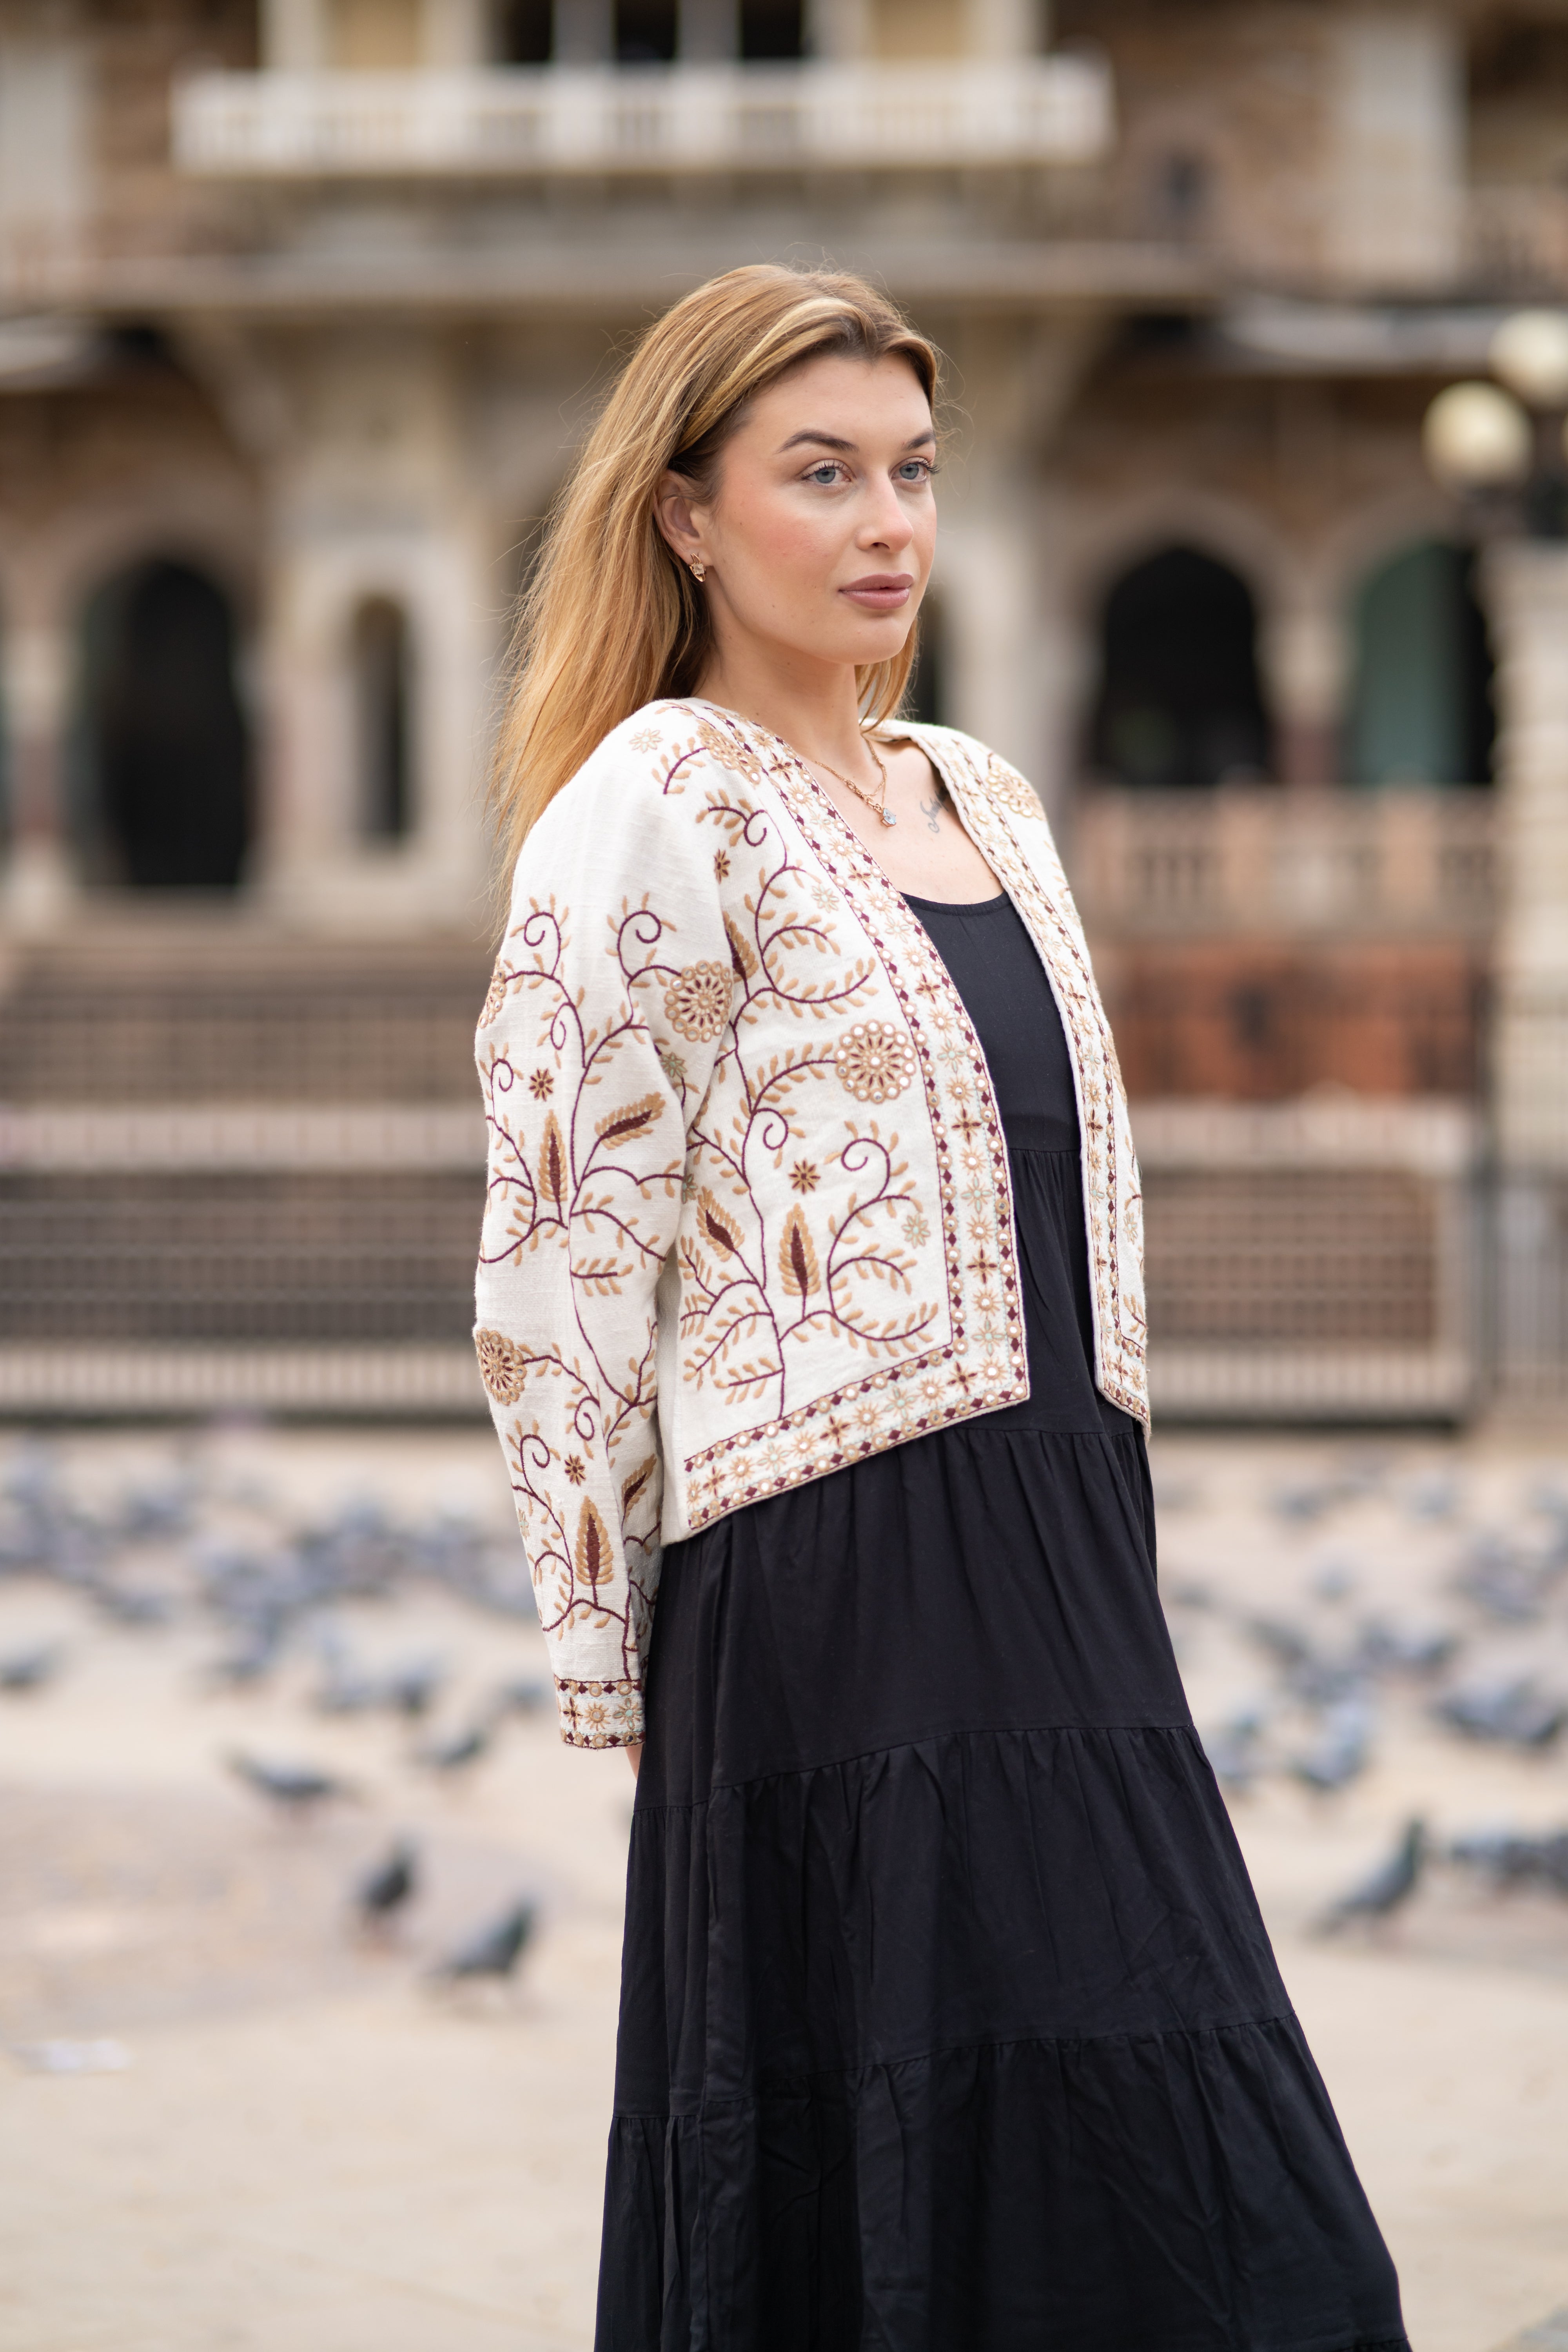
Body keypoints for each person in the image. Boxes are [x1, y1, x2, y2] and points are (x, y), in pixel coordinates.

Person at [475, 263, 1407, 2352]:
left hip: (1063, 1551)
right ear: (687, 517)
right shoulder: (651, 807)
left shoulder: (991, 796)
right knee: (925, 2162)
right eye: (821, 475)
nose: (891, 521)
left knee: (1198, 2181)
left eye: (913, 469)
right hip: (830, 1597)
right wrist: (616, 1660)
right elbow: (557, 1265)